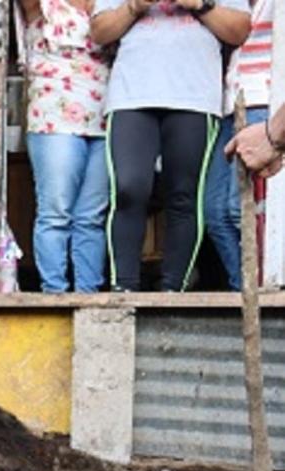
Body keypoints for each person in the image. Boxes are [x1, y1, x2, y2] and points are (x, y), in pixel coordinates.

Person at [91, 0, 251, 291]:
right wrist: (134, 6)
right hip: (131, 96)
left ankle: (172, 289)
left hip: (195, 98)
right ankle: (124, 287)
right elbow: (100, 31)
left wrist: (198, 4)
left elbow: (239, 30)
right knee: (128, 189)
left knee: (183, 196)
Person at [18, 0, 112, 293]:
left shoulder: (110, 6)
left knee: (91, 216)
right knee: (56, 212)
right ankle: (54, 293)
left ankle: (89, 294)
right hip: (54, 115)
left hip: (105, 115)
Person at [205, 0, 273, 290]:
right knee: (214, 211)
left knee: (239, 208)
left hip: (267, 100)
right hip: (229, 104)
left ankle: (261, 287)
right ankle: (244, 289)